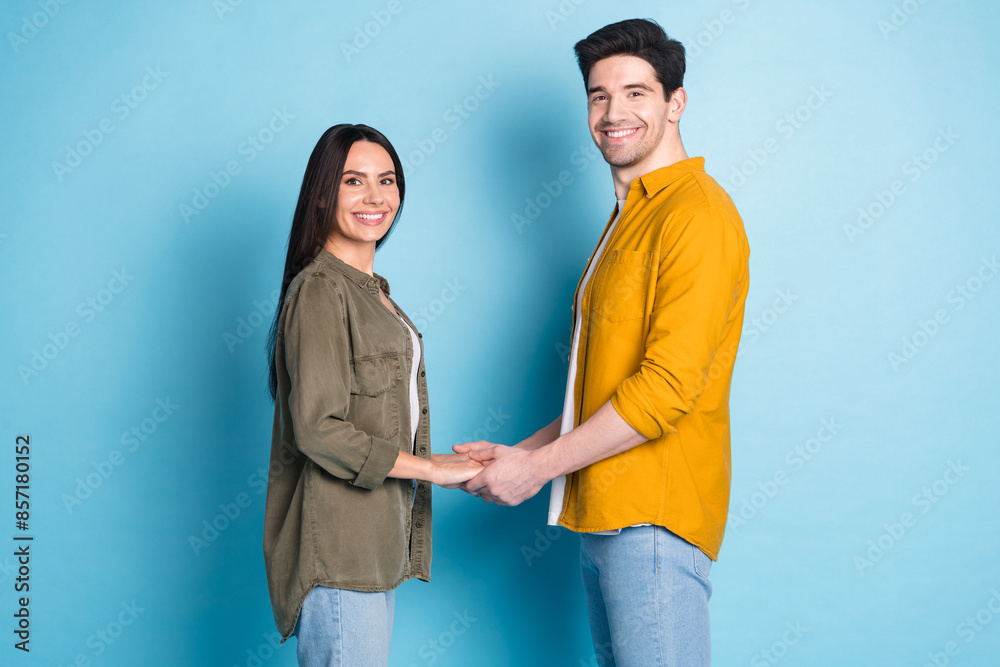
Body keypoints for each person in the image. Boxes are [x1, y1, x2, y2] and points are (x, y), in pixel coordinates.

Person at [455, 19, 750, 666]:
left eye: (637, 92)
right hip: (608, 521)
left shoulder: (695, 215)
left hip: (653, 520)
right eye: (598, 95)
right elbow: (604, 389)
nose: (614, 112)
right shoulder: (629, 220)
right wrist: (520, 452)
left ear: (676, 103)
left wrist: (535, 470)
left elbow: (664, 392)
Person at [262, 124, 482, 666]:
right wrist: (432, 468)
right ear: (321, 194)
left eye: (387, 180)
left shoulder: (375, 295)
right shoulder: (320, 289)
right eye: (353, 181)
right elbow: (317, 427)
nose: (375, 197)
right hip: (339, 552)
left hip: (372, 546)